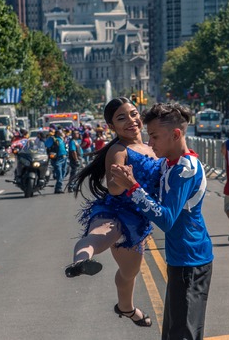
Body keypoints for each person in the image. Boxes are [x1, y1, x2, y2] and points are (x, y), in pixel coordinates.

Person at [111, 102, 213, 340]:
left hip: (192, 260)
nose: (150, 143)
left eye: (155, 136)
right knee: (172, 333)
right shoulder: (169, 164)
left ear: (176, 134)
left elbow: (166, 219)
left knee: (183, 334)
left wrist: (133, 187)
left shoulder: (185, 169)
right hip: (180, 258)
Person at [65, 97, 164, 328]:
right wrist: (125, 181)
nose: (131, 120)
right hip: (115, 211)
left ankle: (126, 308)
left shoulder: (153, 146)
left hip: (137, 221)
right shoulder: (118, 150)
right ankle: (79, 263)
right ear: (112, 127)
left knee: (130, 272)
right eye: (122, 118)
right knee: (98, 236)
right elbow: (113, 186)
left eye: (133, 113)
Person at [45, 128, 68, 194]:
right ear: (58, 133)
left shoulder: (61, 139)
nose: (63, 133)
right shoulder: (53, 138)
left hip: (64, 157)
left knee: (64, 172)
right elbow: (46, 145)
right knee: (59, 173)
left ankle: (59, 185)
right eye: (61, 132)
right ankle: (58, 188)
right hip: (58, 159)